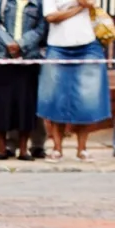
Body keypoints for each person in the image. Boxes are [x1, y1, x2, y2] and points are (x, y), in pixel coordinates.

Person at [37, 0, 110, 160]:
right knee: (56, 97)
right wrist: (77, 9)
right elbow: (51, 17)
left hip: (87, 44)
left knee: (86, 99)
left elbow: (90, 3)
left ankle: (82, 148)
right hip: (57, 45)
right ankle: (57, 148)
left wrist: (72, 7)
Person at [0, 0, 44, 158]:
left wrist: (21, 44)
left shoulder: (39, 3)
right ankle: (2, 149)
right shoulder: (1, 1)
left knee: (25, 105)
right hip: (3, 56)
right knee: (0, 105)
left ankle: (23, 149)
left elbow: (42, 28)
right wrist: (9, 43)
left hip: (28, 57)